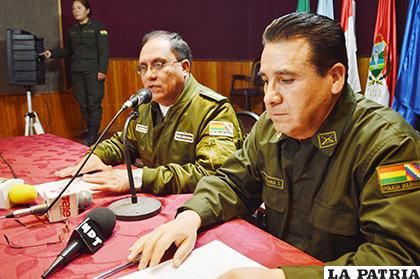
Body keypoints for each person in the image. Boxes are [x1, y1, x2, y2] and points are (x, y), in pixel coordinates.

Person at [126, 13, 420, 279]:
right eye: (266, 81)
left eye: (286, 80)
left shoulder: (390, 145)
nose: (269, 97)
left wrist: (283, 278)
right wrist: (191, 217)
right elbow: (232, 182)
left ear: (335, 78)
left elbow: (397, 263)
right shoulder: (270, 125)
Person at [55, 30, 244, 195]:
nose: (149, 75)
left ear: (184, 67)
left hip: (192, 208)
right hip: (154, 199)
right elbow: (124, 143)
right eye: (143, 68)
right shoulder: (146, 103)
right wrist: (96, 156)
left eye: (159, 65)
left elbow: (212, 173)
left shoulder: (214, 109)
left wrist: (139, 178)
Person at [42, 0, 110, 146]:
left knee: (94, 103)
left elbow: (104, 50)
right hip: (77, 71)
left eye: (79, 8)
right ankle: (92, 131)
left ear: (87, 10)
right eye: (73, 9)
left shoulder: (98, 28)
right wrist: (51, 53)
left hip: (93, 71)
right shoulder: (72, 30)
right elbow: (68, 50)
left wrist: (102, 70)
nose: (76, 11)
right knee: (82, 103)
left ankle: (93, 134)